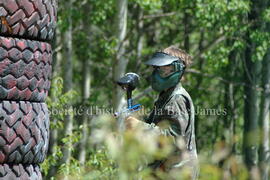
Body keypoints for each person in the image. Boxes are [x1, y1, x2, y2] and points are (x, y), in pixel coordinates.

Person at [125, 46, 198, 179]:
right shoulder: (166, 96)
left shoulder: (177, 99)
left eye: (163, 70)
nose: (156, 75)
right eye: (157, 69)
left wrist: (138, 126)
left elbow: (173, 140)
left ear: (177, 71)